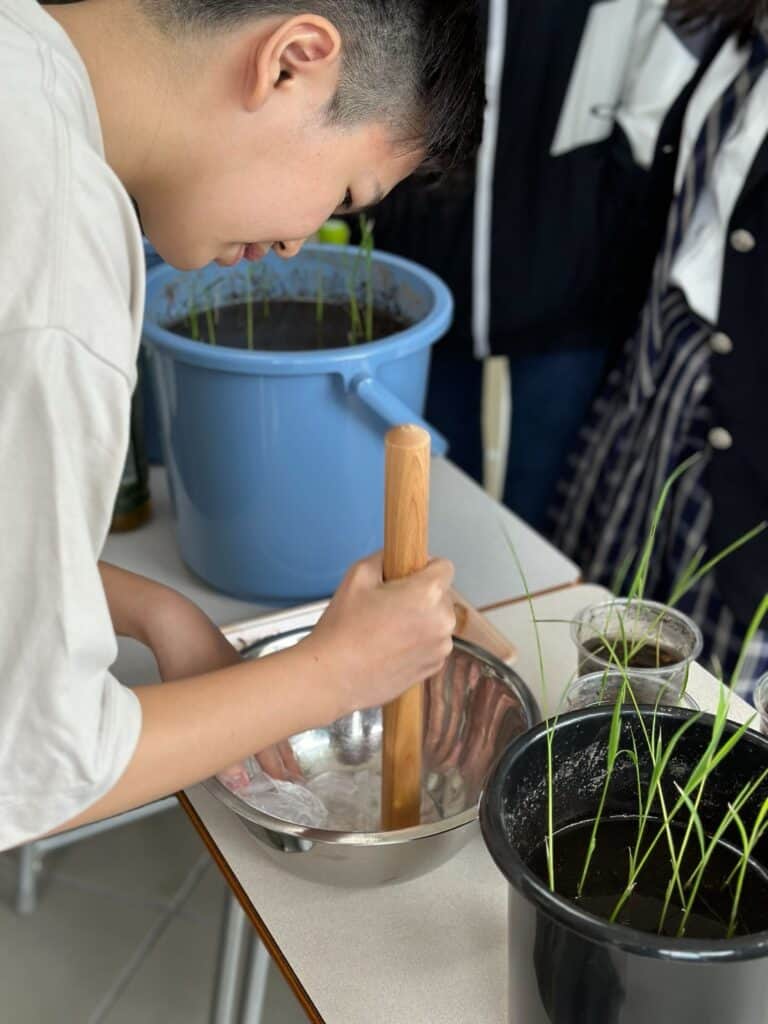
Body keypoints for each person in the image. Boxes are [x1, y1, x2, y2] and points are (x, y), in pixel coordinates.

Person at [0, 0, 483, 850]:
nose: (301, 241)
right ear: (293, 59)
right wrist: (333, 674)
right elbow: (35, 764)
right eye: (347, 192)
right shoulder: (54, 247)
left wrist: (154, 610)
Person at [372, 0, 722, 531]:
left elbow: (668, 46)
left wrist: (623, 170)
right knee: (433, 494)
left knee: (547, 508)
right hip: (423, 249)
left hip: (578, 262)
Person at [552, 0, 768, 698]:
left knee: (709, 683)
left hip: (747, 411)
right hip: (661, 372)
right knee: (617, 621)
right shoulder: (727, 27)